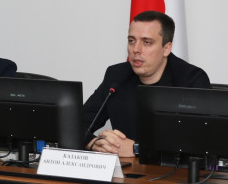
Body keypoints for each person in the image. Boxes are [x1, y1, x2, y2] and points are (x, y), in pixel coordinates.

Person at [84, 10, 210, 157]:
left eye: (147, 42)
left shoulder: (191, 80)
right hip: (126, 169)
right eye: (131, 41)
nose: (136, 50)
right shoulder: (117, 76)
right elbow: (74, 125)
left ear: (166, 49)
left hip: (172, 171)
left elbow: (197, 143)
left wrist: (137, 149)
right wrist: (94, 143)